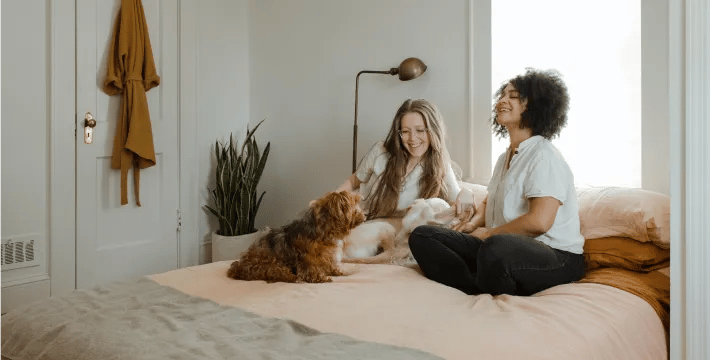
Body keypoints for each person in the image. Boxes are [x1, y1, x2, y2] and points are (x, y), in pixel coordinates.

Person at [408, 69, 585, 296]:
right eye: (502, 95)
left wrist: (489, 234)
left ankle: (483, 277)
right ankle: (476, 284)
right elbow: (490, 200)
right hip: (501, 247)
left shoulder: (543, 155)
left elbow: (539, 222)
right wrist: (470, 227)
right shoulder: (505, 157)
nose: (502, 100)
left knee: (495, 248)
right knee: (423, 236)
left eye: (512, 96)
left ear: (535, 105)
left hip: (557, 257)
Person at [335, 98, 470, 219]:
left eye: (420, 130)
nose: (412, 138)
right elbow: (354, 181)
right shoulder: (380, 151)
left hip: (396, 228)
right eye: (405, 131)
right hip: (361, 219)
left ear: (433, 131)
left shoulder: (440, 163)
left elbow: (456, 198)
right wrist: (334, 198)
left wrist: (467, 193)